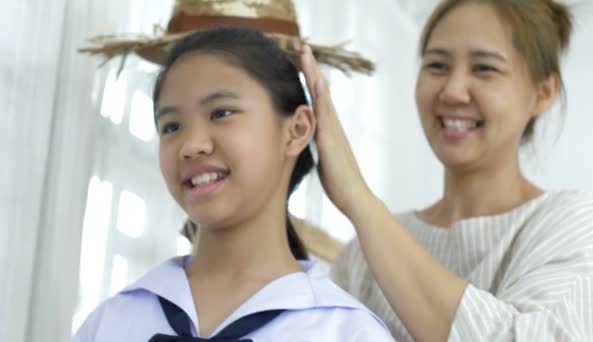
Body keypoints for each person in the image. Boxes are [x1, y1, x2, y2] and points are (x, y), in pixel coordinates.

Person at [299, 0, 593, 341]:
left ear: (543, 93)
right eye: (437, 65)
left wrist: (360, 202)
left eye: (485, 69)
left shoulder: (567, 226)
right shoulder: (360, 256)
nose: (452, 91)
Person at [73, 26, 394, 341]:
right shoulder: (111, 322)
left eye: (221, 112)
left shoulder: (347, 333)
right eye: (171, 126)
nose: (191, 145)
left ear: (297, 129)